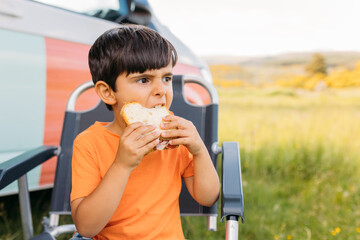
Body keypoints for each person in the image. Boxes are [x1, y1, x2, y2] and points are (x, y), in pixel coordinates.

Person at [70, 25, 220, 239]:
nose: (161, 90)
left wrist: (198, 150)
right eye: (143, 80)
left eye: (167, 78)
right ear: (108, 92)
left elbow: (207, 197)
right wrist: (122, 165)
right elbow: (86, 227)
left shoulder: (174, 136)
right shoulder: (89, 143)